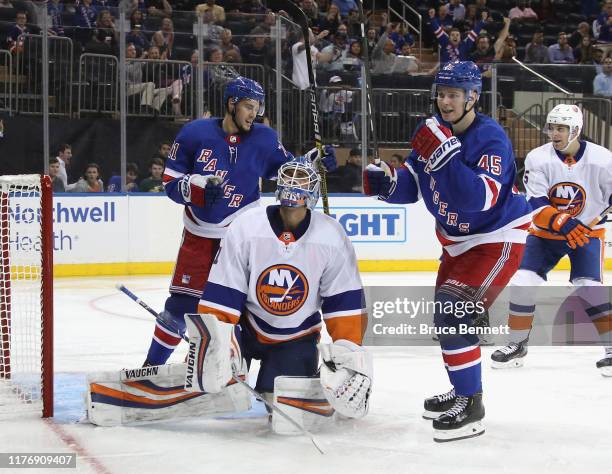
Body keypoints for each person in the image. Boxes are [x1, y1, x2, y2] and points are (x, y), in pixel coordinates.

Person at [364, 61, 531, 442]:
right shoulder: (429, 130)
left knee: (451, 315)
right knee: (447, 323)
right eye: (441, 93)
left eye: (454, 94)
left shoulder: (492, 138)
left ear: (473, 96)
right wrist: (387, 184)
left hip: (496, 238)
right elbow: (413, 184)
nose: (445, 101)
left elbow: (479, 201)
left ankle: (472, 406)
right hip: (456, 242)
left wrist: (448, 155)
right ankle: (461, 392)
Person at [142, 77, 337, 367]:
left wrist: (315, 160)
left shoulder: (265, 138)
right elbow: (170, 181)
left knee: (246, 309)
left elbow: (288, 170)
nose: (253, 114)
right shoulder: (193, 133)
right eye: (248, 106)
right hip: (199, 236)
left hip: (244, 238)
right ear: (231, 103)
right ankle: (151, 369)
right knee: (180, 307)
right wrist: (195, 188)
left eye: (257, 108)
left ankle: (221, 366)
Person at [194, 158, 371, 418]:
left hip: (296, 337)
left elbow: (344, 304)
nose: (293, 183)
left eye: (301, 179)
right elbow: (225, 288)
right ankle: (224, 362)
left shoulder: (331, 236)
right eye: (288, 177)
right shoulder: (247, 226)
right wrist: (218, 341)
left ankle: (280, 376)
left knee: (276, 405)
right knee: (217, 380)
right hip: (246, 328)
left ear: (312, 190)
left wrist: (347, 358)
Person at [491, 104, 612, 375]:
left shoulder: (603, 159)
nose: (554, 133)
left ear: (576, 130)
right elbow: (535, 203)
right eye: (552, 127)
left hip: (587, 235)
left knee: (588, 286)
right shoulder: (538, 158)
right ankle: (516, 344)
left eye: (561, 128)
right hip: (546, 234)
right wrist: (563, 222)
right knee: (523, 281)